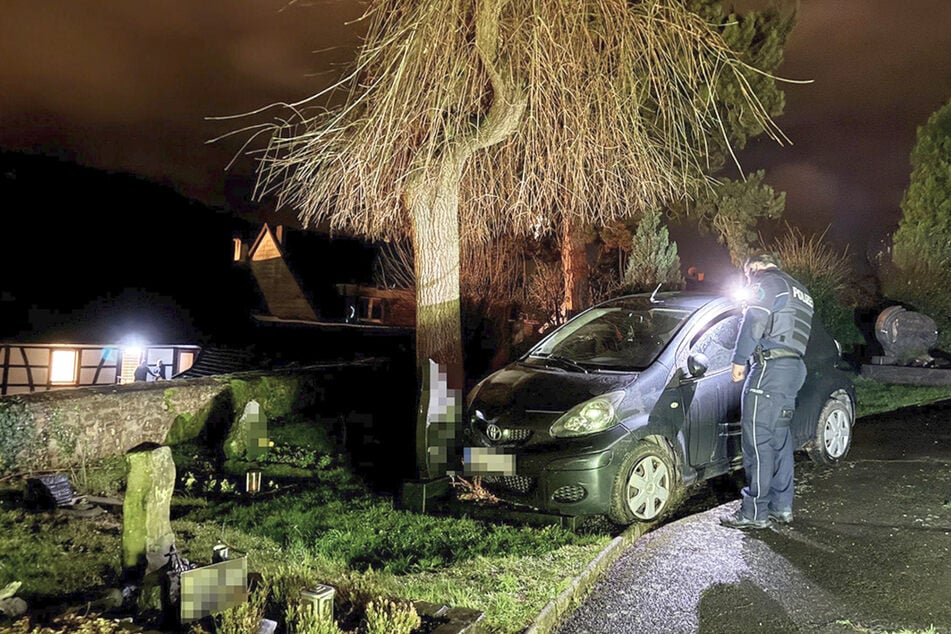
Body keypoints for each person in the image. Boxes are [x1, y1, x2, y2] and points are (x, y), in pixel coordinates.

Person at [720, 252, 814, 529]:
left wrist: (739, 361)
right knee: (779, 439)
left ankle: (754, 511)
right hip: (793, 369)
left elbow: (755, 320)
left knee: (757, 440)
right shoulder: (801, 290)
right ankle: (781, 506)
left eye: (747, 274)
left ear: (753, 267)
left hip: (770, 370)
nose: (748, 279)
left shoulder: (766, 282)